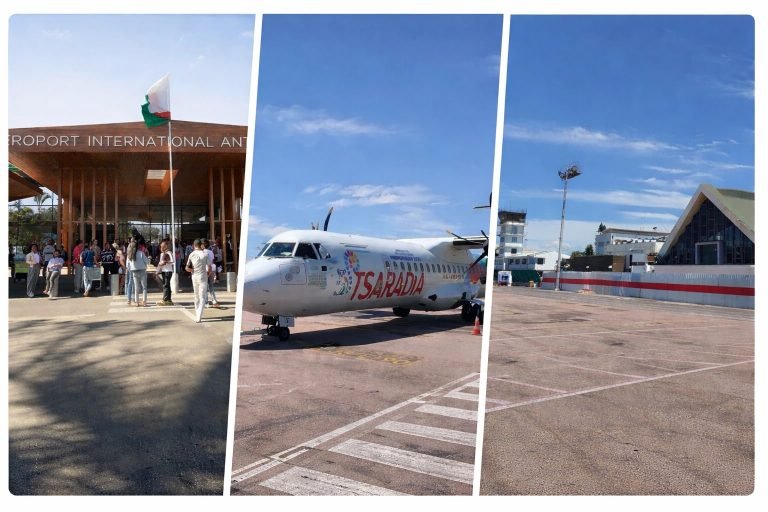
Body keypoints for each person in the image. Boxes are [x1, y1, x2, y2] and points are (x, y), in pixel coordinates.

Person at [186, 239, 210, 323]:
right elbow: (209, 266)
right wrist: (209, 273)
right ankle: (199, 316)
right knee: (202, 296)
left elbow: (187, 268)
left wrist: (192, 270)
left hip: (194, 276)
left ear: (194, 245)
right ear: (201, 245)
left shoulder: (191, 254)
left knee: (196, 295)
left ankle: (197, 314)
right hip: (203, 276)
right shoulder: (205, 254)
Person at [126, 241, 149, 306]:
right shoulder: (141, 253)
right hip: (142, 271)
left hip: (134, 271)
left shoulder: (129, 255)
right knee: (144, 287)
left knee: (136, 287)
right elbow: (147, 261)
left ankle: (137, 302)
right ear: (138, 246)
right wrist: (148, 258)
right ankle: (144, 301)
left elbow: (127, 265)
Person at [202, 239, 221, 308]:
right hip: (212, 270)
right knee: (211, 286)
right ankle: (214, 300)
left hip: (205, 270)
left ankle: (206, 302)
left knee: (205, 287)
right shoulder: (211, 252)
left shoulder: (202, 252)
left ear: (203, 245)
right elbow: (212, 261)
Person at [156, 240, 174, 305]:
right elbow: (160, 262)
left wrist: (165, 262)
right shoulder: (162, 254)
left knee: (166, 285)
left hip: (168, 271)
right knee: (166, 285)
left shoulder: (169, 253)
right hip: (164, 271)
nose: (161, 247)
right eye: (161, 246)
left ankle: (165, 299)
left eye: (163, 246)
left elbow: (172, 261)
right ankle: (168, 299)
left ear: (166, 246)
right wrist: (158, 270)